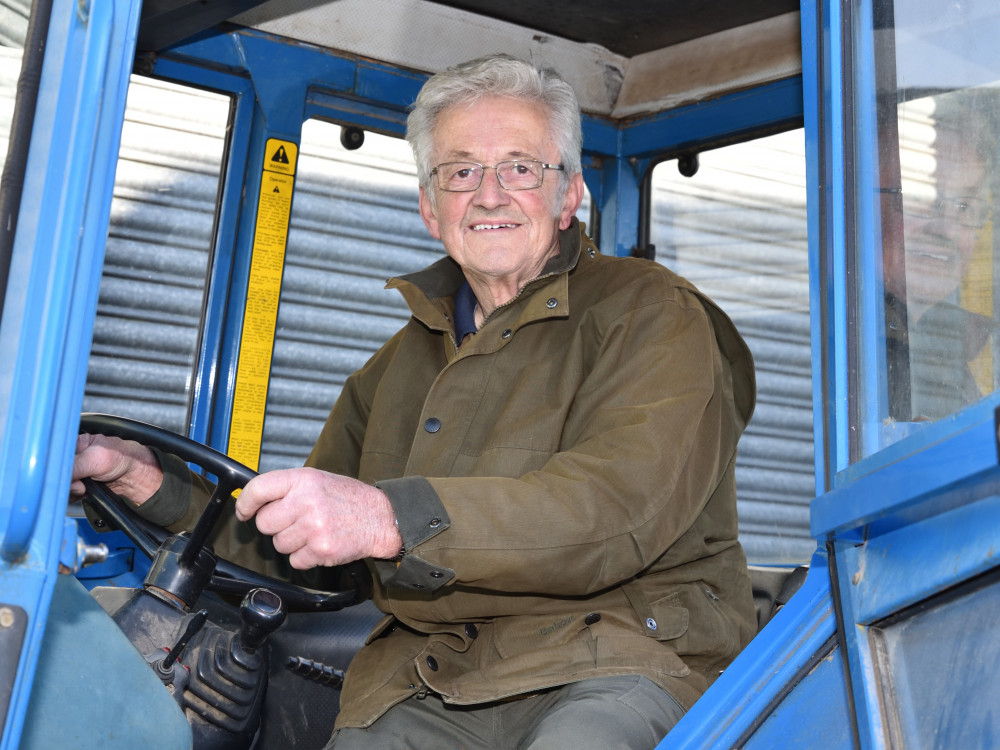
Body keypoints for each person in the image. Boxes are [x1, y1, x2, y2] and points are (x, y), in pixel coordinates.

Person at [72, 55, 757, 749]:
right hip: (435, 671)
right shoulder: (396, 367)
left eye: (521, 167)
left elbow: (615, 511)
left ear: (569, 194)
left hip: (618, 655)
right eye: (461, 171)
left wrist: (388, 517)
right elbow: (304, 554)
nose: (490, 194)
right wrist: (145, 481)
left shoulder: (653, 314)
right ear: (431, 208)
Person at [887, 92, 997, 421]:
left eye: (964, 207)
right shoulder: (840, 347)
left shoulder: (965, 357)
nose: (946, 228)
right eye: (928, 196)